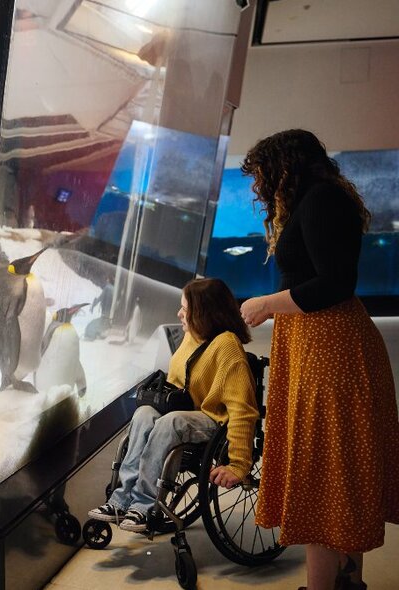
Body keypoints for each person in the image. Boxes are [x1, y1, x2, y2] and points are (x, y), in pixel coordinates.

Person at [238, 129, 399, 590]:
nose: (258, 186)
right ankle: (349, 583)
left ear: (286, 166)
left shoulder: (321, 200)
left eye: (262, 174)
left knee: (322, 474)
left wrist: (268, 304)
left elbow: (335, 284)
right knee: (337, 469)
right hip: (320, 344)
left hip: (331, 350)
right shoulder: (322, 197)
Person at [88, 278, 259, 532]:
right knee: (145, 413)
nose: (179, 313)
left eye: (185, 309)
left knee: (172, 420)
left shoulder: (227, 346)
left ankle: (145, 506)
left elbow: (243, 411)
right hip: (184, 412)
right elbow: (177, 383)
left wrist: (239, 464)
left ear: (203, 312)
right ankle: (120, 500)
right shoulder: (192, 337)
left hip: (213, 420)